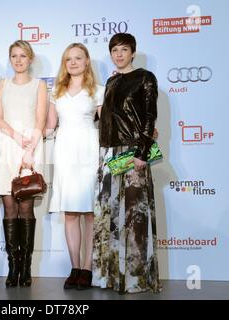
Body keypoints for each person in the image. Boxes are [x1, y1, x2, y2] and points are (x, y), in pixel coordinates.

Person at [93, 33, 162, 294]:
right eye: (114, 50)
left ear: (133, 52)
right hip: (109, 154)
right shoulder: (111, 81)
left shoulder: (145, 78)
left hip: (133, 152)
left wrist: (142, 153)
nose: (119, 54)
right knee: (110, 217)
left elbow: (149, 117)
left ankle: (136, 277)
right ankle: (112, 276)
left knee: (134, 215)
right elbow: (109, 117)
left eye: (124, 49)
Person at [46, 43, 104, 290]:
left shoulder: (99, 91)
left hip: (90, 151)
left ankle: (88, 269)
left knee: (90, 213)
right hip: (65, 153)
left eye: (78, 58)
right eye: (68, 58)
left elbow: (108, 125)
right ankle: (75, 268)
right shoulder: (56, 92)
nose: (73, 62)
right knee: (70, 213)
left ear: (87, 61)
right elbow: (49, 126)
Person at [0, 40, 47, 287]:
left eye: (22, 55)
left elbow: (41, 120)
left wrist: (30, 150)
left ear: (30, 58)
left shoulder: (40, 85)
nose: (18, 60)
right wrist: (16, 137)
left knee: (26, 208)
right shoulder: (2, 84)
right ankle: (12, 267)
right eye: (14, 55)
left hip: (30, 148)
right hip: (6, 145)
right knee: (9, 207)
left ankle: (26, 267)